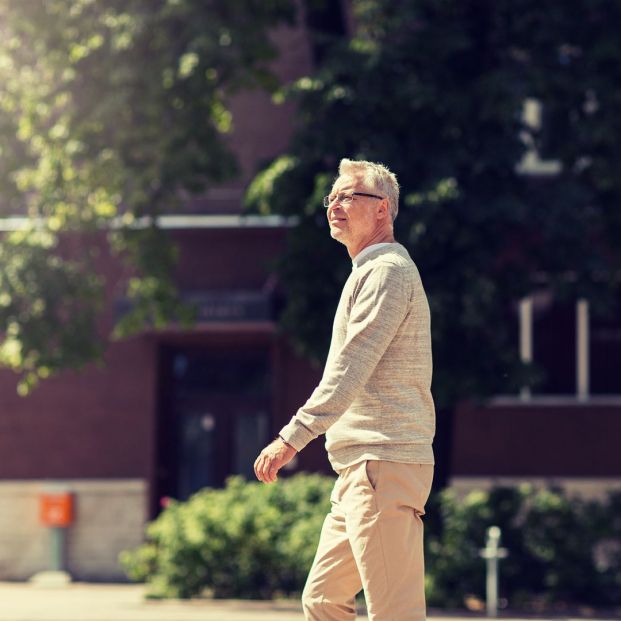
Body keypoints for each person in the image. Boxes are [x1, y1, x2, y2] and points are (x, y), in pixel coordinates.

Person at [254, 158, 436, 621]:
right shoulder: (367, 271)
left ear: (383, 210)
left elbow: (349, 368)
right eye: (331, 197)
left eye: (348, 195)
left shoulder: (387, 271)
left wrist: (291, 438)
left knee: (395, 613)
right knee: (322, 600)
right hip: (359, 469)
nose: (335, 204)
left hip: (383, 462)